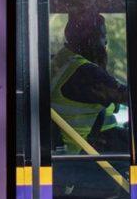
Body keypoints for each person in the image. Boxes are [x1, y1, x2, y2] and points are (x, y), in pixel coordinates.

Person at [49, 13, 132, 153]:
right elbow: (129, 96)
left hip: (77, 144)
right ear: (89, 40)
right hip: (86, 150)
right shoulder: (86, 72)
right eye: (103, 36)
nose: (105, 42)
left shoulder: (62, 59)